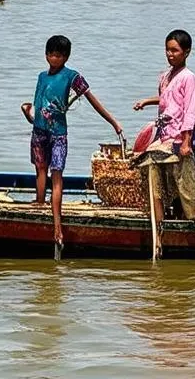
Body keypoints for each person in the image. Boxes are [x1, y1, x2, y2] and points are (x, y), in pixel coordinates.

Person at [22, 34, 123, 248]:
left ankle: (57, 226)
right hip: (39, 132)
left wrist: (113, 122)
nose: (53, 58)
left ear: (66, 57)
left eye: (58, 55)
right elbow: (40, 110)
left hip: (58, 134)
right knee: (40, 169)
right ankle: (39, 205)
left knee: (56, 175)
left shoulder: (72, 76)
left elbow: (92, 100)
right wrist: (28, 114)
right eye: (50, 54)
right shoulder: (42, 76)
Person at [133, 29, 195, 242]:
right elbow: (167, 99)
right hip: (163, 137)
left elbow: (189, 109)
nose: (170, 54)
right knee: (151, 175)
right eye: (167, 50)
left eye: (175, 50)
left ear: (186, 52)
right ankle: (159, 224)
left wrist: (186, 141)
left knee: (186, 183)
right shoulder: (165, 76)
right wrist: (147, 101)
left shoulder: (188, 77)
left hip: (178, 139)